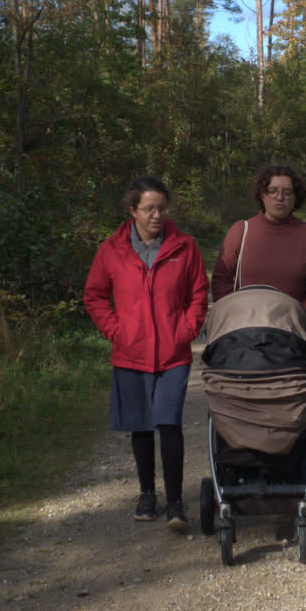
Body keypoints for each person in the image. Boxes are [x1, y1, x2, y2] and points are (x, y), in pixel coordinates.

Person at [83, 175, 208, 532]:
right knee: (140, 426)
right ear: (132, 210)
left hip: (173, 353)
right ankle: (147, 494)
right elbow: (94, 295)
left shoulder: (185, 247)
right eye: (149, 208)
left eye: (162, 208)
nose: (157, 215)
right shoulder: (111, 250)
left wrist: (186, 329)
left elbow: (199, 293)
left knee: (168, 423)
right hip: (130, 353)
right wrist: (116, 330)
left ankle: (175, 502)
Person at [210, 162, 306, 304]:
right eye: (273, 190)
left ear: (296, 197)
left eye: (287, 192)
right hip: (244, 317)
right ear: (262, 194)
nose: (280, 197)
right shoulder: (240, 232)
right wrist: (232, 310)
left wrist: (303, 312)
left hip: (292, 317)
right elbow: (221, 279)